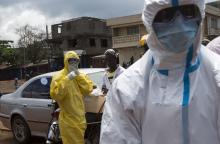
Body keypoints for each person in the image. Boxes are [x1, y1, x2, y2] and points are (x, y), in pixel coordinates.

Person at [100, 0, 220, 144]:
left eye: (188, 12)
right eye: (166, 15)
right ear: (151, 22)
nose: (179, 23)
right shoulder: (126, 88)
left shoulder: (216, 74)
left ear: (200, 15)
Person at [50, 51, 94, 144]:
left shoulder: (79, 75)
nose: (73, 63)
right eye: (71, 61)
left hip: (80, 119)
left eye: (76, 61)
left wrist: (78, 76)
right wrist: (67, 79)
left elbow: (88, 89)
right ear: (66, 61)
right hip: (68, 121)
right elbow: (56, 95)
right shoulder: (58, 77)